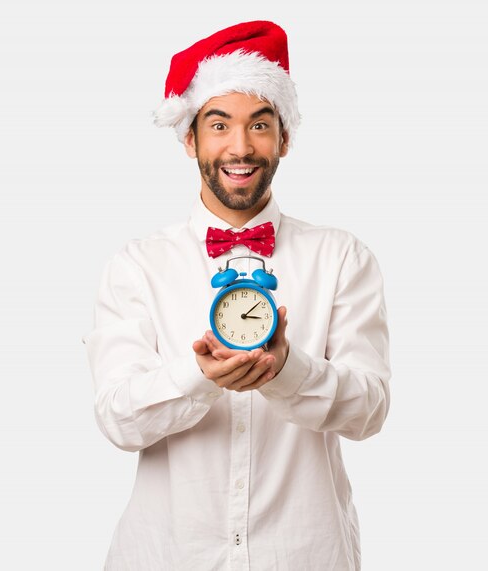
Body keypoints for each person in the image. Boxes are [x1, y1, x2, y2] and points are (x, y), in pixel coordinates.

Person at [83, 20, 391, 571]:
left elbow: (369, 411)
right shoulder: (137, 266)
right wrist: (197, 377)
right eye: (219, 124)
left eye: (260, 125)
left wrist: (290, 371)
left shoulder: (343, 258)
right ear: (190, 139)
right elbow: (117, 419)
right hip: (166, 558)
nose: (240, 147)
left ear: (286, 138)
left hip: (304, 556)